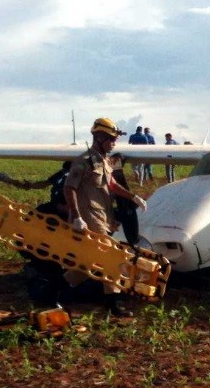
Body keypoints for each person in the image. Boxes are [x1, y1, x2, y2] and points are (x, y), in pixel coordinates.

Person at [64, 117, 147, 316]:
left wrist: (133, 196)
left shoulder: (103, 161)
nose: (114, 143)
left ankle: (61, 287)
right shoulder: (83, 162)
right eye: (111, 139)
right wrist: (77, 217)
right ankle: (113, 302)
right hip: (89, 218)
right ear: (99, 137)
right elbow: (69, 188)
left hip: (102, 217)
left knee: (91, 260)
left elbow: (110, 184)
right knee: (112, 256)